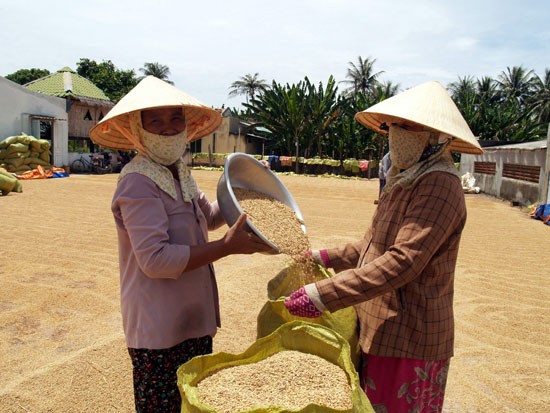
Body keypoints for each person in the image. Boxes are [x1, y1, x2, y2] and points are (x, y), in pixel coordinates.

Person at [284, 81, 483, 412]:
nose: (400, 133)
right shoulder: (403, 178)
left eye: (413, 127)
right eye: (396, 125)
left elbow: (402, 261)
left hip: (410, 336)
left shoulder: (438, 183)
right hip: (380, 329)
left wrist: (323, 295)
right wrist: (321, 257)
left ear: (437, 136)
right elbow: (370, 246)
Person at [90, 76, 273, 413]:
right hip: (159, 327)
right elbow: (155, 260)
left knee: (193, 403)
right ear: (138, 129)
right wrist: (226, 247)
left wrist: (246, 186)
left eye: (175, 118)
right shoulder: (137, 183)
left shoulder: (180, 172)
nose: (167, 128)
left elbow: (212, 217)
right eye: (155, 120)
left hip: (193, 318)